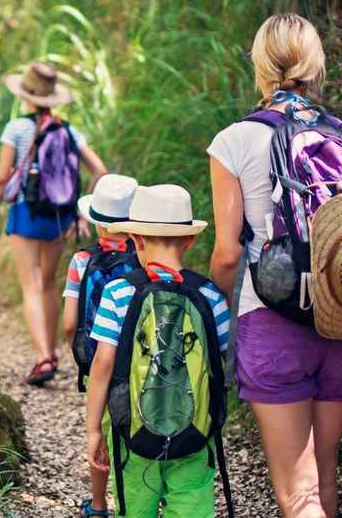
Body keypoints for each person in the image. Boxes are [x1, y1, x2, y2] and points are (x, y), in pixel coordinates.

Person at [206, 13, 342, 518]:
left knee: (296, 495)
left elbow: (229, 253)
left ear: (260, 66)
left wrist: (223, 311)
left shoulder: (234, 141)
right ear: (315, 65)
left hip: (273, 320)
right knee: (323, 478)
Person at [84, 184, 231, 518]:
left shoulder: (117, 293)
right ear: (189, 240)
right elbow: (227, 365)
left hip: (133, 431)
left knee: (135, 507)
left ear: (136, 240)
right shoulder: (208, 295)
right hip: (195, 431)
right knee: (192, 505)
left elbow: (103, 366)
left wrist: (94, 429)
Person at [0, 60, 108, 386]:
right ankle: (50, 350)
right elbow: (101, 171)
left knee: (31, 286)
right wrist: (81, 214)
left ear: (26, 94)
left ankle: (44, 357)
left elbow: (1, 176)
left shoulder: (18, 129)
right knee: (49, 283)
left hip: (25, 213)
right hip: (59, 215)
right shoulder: (68, 130)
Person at [62, 174, 140, 517]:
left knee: (103, 431)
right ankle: (144, 498)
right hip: (141, 362)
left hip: (100, 364)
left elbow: (68, 323)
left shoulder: (82, 260)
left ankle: (97, 504)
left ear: (97, 225)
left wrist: (81, 356)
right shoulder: (147, 256)